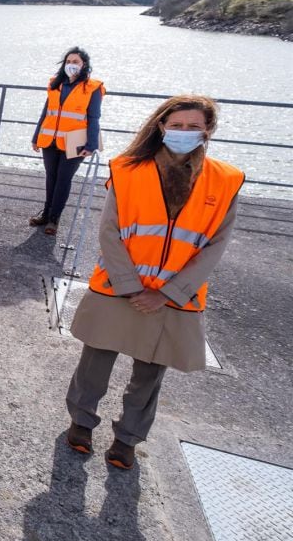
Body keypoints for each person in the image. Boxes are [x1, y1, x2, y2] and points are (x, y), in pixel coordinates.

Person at [64, 95, 242, 470]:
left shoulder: (225, 181)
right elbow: (109, 232)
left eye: (193, 126)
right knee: (95, 361)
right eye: (176, 125)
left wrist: (167, 293)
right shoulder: (127, 170)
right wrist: (131, 286)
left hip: (172, 297)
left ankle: (127, 439)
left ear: (207, 130)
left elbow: (214, 247)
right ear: (161, 126)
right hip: (119, 288)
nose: (183, 132)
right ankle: (81, 422)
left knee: (149, 375)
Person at [30, 47, 104, 235]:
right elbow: (46, 112)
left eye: (75, 62)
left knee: (63, 180)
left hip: (76, 140)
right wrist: (36, 137)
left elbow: (94, 117)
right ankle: (45, 214)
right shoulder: (55, 84)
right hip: (51, 139)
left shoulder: (92, 87)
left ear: (84, 65)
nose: (71, 65)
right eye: (68, 61)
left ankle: (54, 219)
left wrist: (91, 145)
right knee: (51, 178)